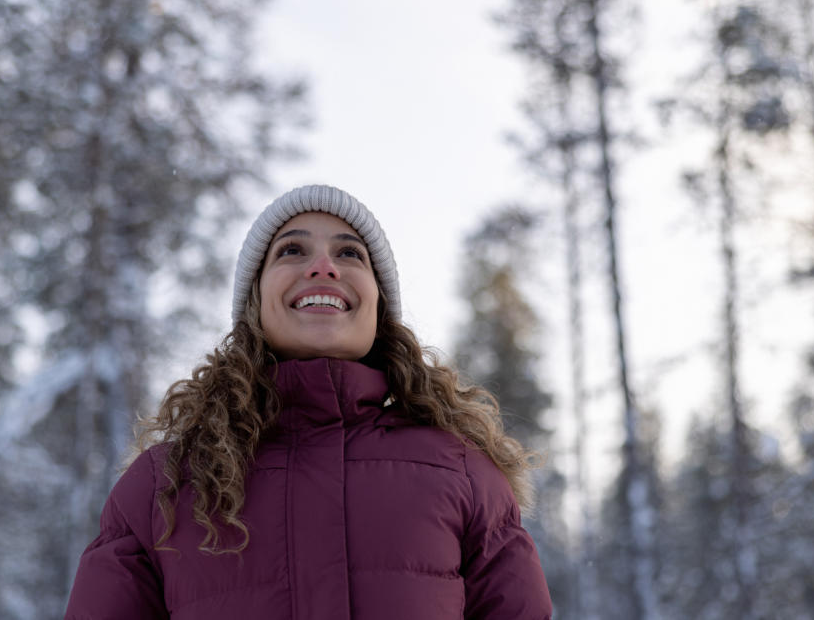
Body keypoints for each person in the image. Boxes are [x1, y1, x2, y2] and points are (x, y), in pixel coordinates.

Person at [65, 184, 553, 619]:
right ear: (255, 303)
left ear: (379, 307)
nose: (323, 266)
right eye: (292, 250)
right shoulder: (160, 488)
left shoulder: (466, 476)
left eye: (351, 254)